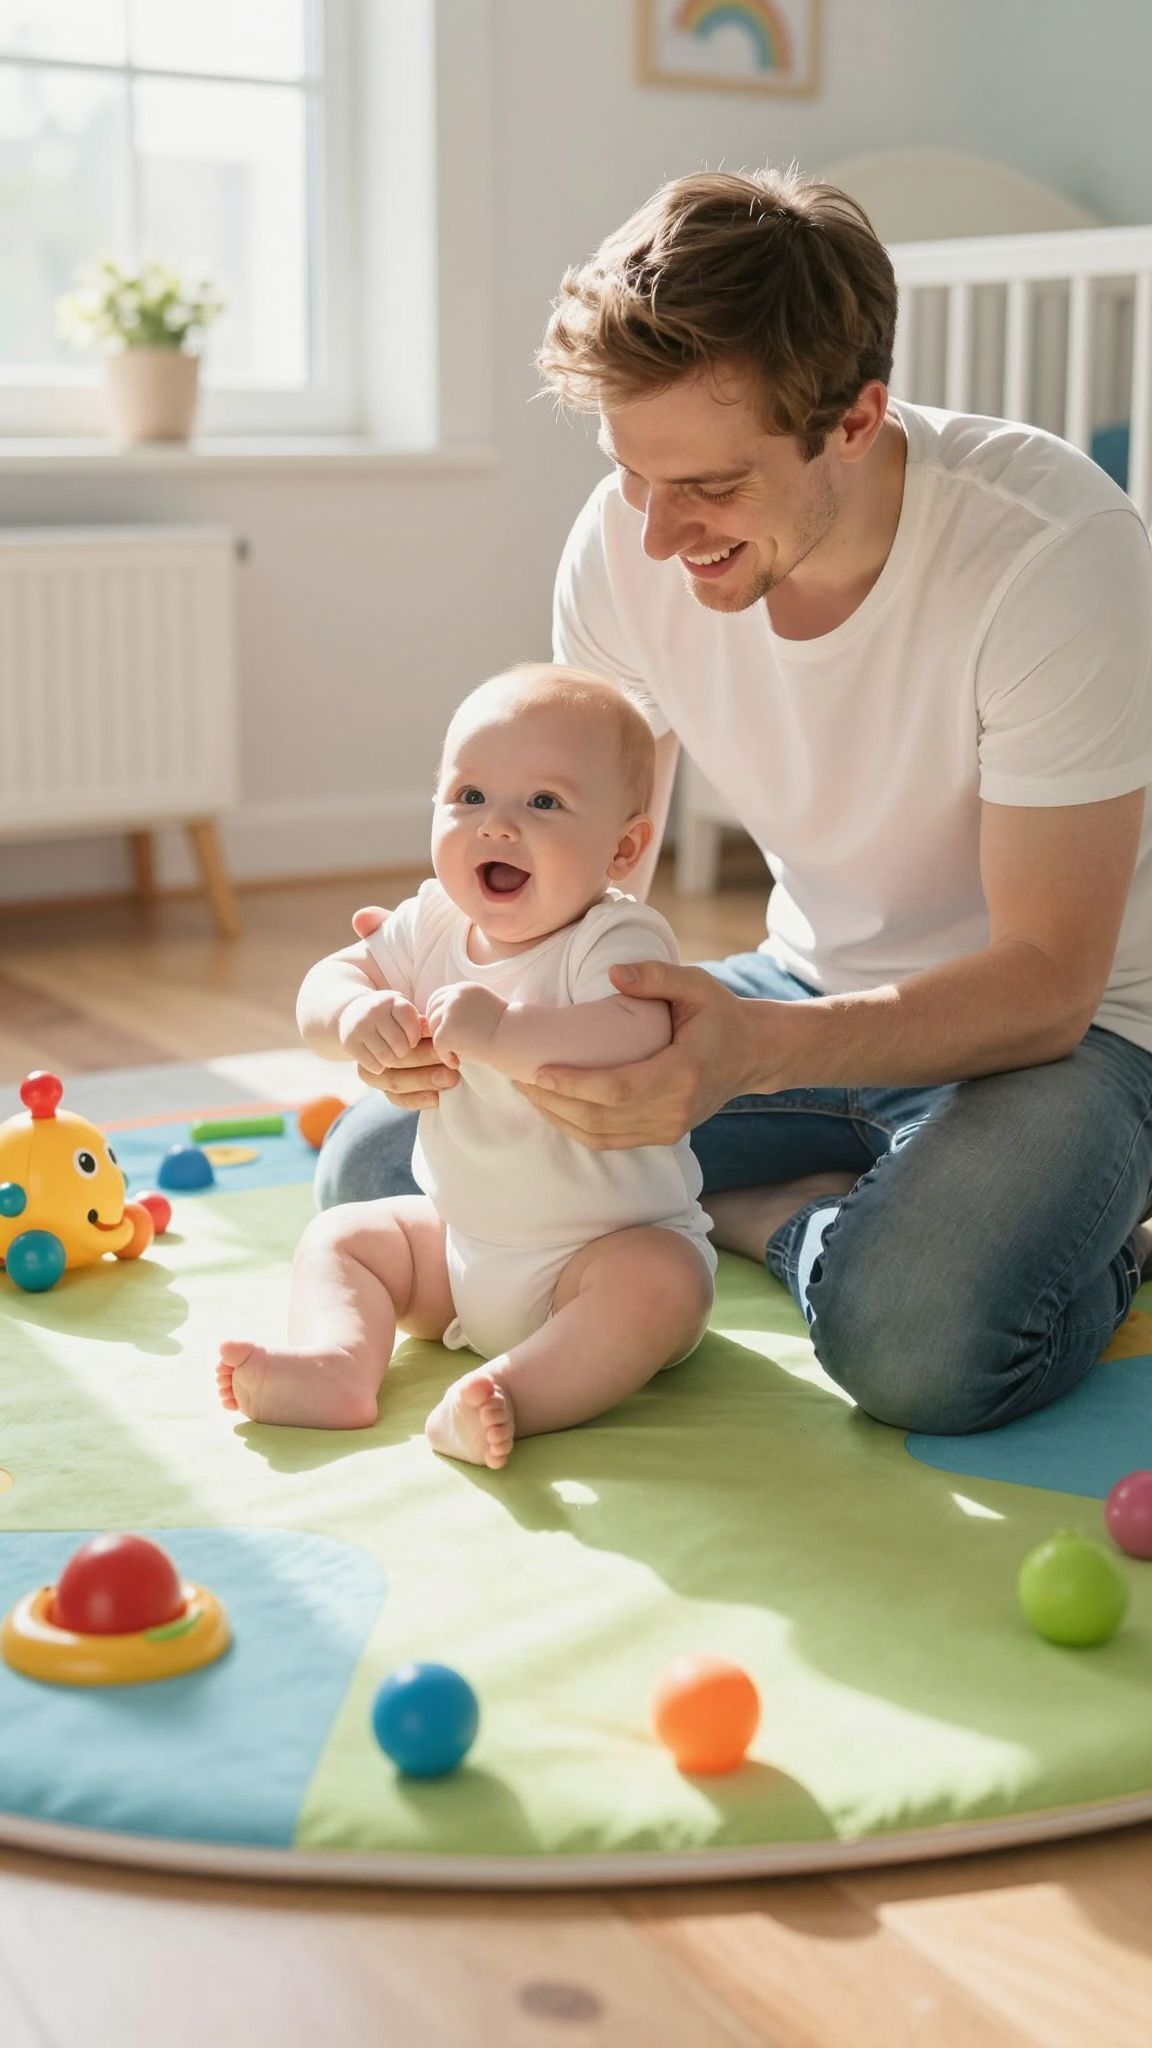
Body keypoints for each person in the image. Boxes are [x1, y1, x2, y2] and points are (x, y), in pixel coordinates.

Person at [317, 164, 1152, 1438]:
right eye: (633, 475)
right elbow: (588, 893)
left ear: (857, 419)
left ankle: (866, 1222)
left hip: (1073, 1039)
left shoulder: (1052, 553)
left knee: (919, 1332)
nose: (656, 536)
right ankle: (819, 1195)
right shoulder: (624, 535)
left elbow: (1047, 983)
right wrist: (447, 979)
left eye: (708, 485)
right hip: (800, 990)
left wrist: (746, 1060)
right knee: (383, 1159)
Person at [216, 664, 715, 1467]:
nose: (496, 826)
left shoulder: (614, 937)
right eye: (469, 797)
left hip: (600, 1257)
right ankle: (337, 1366)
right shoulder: (433, 921)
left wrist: (506, 1033)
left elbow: (635, 1033)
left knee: (665, 1287)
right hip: (460, 1248)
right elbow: (325, 983)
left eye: (543, 803)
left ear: (623, 849)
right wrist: (352, 1014)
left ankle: (514, 1393)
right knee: (345, 1235)